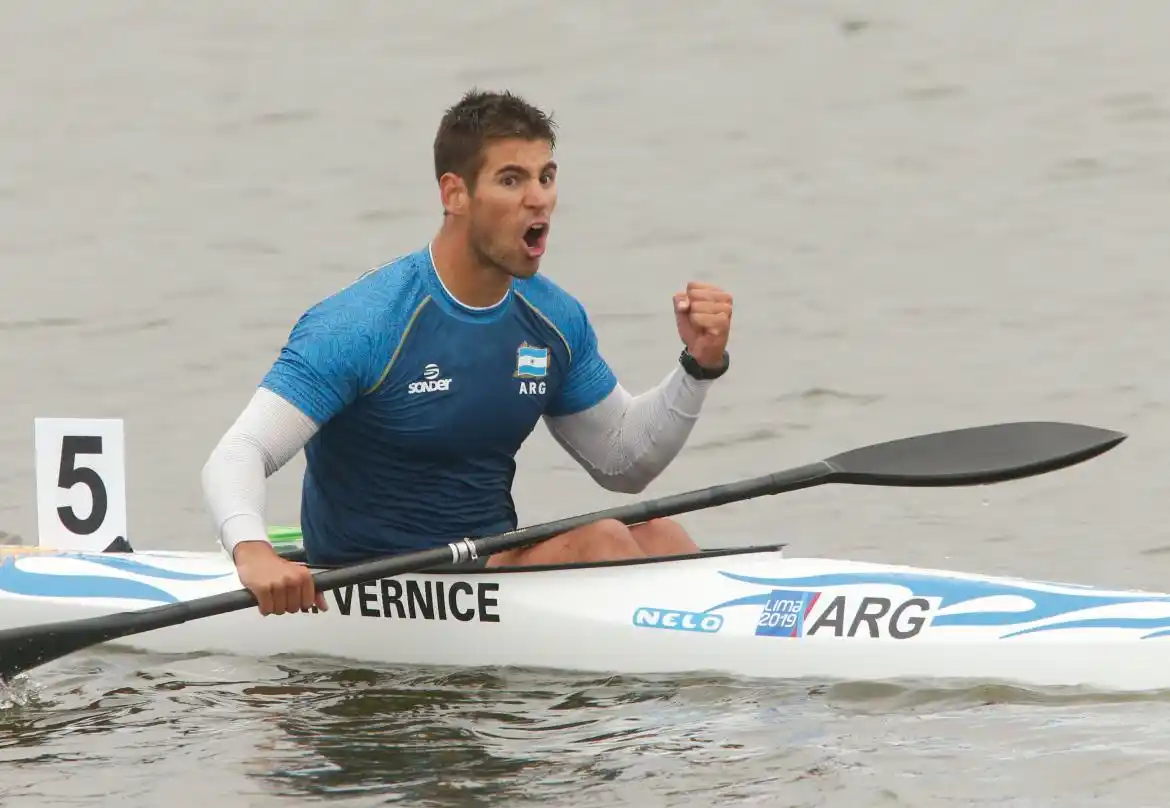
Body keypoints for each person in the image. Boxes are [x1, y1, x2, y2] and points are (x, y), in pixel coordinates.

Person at [200, 89, 734, 616]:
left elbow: (623, 461)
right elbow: (239, 452)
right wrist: (252, 551)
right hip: (368, 582)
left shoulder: (553, 319)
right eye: (512, 180)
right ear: (454, 194)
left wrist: (698, 366)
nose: (539, 198)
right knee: (605, 543)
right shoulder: (363, 324)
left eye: (546, 177)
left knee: (661, 535)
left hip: (485, 574)